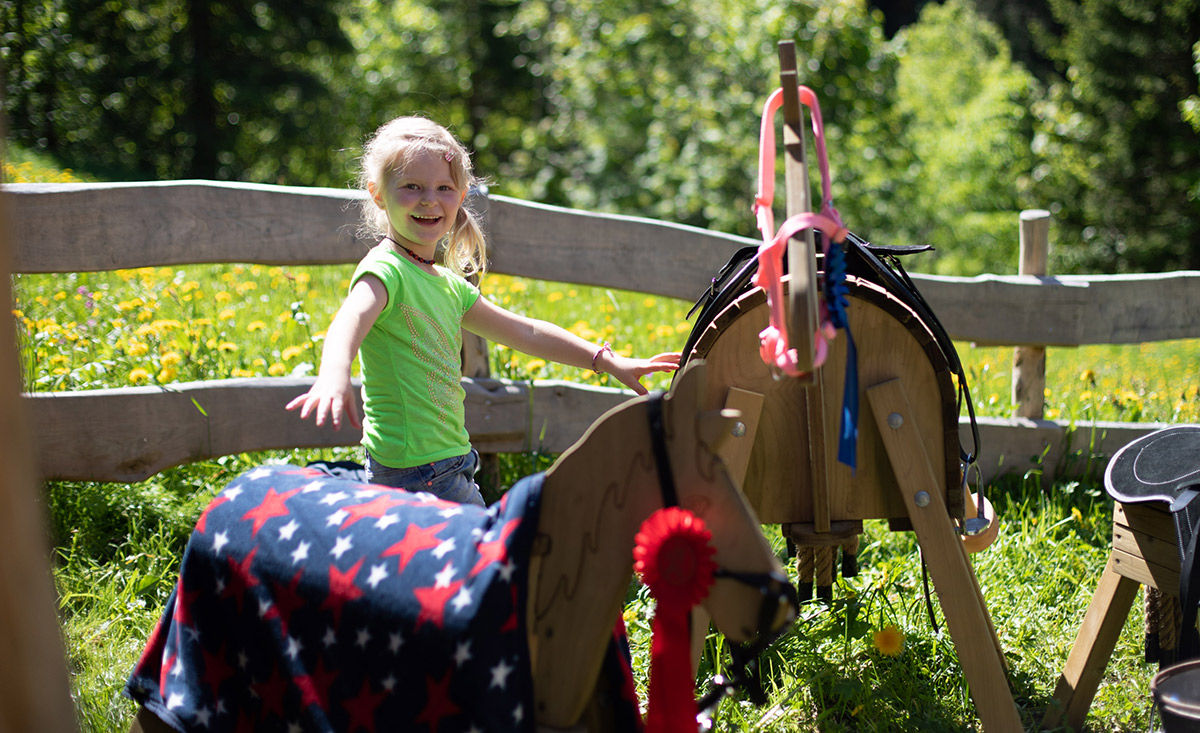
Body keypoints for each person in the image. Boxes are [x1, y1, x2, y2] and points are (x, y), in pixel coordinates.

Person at [287, 116, 679, 506]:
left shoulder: (446, 284)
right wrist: (334, 374)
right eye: (411, 187)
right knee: (482, 562)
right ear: (377, 193)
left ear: (460, 197)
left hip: (451, 462)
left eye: (444, 187)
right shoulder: (386, 269)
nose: (429, 199)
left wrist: (605, 360)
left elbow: (525, 332)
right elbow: (349, 320)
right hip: (410, 474)